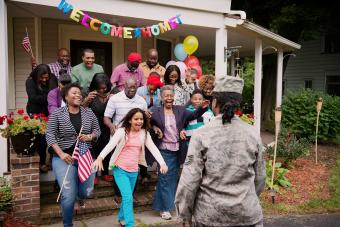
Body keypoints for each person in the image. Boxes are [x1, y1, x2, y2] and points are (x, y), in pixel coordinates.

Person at [175, 76, 266, 227]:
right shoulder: (252, 134)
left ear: (214, 102)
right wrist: (246, 200)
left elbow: (189, 181)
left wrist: (184, 215)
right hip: (247, 215)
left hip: (210, 216)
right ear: (238, 104)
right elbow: (260, 177)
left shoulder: (201, 134)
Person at [93, 108, 168, 227]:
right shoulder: (122, 132)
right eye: (136, 119)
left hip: (134, 170)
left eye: (141, 119)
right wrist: (100, 158)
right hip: (120, 169)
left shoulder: (144, 133)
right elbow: (110, 145)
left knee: (127, 197)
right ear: (129, 120)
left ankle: (121, 217)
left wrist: (162, 163)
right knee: (128, 197)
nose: (139, 121)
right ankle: (129, 224)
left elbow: (153, 148)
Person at [150, 85, 209, 220]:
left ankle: (162, 205)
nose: (169, 98)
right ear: (162, 98)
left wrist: (202, 107)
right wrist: (154, 127)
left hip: (177, 150)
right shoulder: (155, 111)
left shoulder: (180, 110)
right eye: (167, 96)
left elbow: (194, 115)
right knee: (165, 178)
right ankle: (165, 209)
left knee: (171, 178)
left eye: (171, 96)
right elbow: (148, 122)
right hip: (163, 149)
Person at [46, 83, 101, 227]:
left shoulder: (88, 112)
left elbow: (97, 130)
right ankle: (68, 224)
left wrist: (90, 136)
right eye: (74, 93)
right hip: (64, 158)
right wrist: (61, 153)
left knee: (87, 191)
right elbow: (50, 135)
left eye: (79, 93)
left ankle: (79, 197)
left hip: (85, 155)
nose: (78, 95)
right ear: (65, 97)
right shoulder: (57, 113)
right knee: (68, 195)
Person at [83, 73, 113, 182]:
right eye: (100, 88)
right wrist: (86, 100)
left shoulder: (113, 92)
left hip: (107, 125)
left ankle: (105, 173)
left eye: (104, 88)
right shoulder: (88, 92)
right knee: (94, 150)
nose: (102, 90)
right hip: (93, 125)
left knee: (106, 148)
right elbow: (82, 109)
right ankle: (94, 175)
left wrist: (114, 98)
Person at [26, 64, 53, 173]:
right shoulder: (30, 82)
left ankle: (45, 162)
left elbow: (50, 94)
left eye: (46, 77)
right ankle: (40, 163)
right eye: (42, 77)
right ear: (37, 75)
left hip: (47, 113)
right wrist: (49, 97)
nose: (44, 79)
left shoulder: (49, 81)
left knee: (47, 139)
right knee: (39, 139)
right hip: (35, 113)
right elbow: (33, 98)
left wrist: (46, 96)